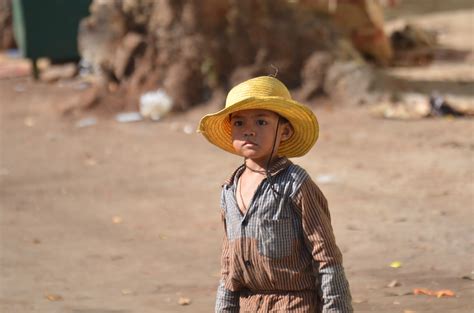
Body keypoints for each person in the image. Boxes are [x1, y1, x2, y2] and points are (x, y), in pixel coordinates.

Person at [198, 76, 353, 312]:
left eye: (261, 122)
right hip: (248, 305)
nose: (249, 131)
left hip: (295, 304)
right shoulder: (229, 190)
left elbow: (327, 258)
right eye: (239, 123)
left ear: (285, 132)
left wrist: (336, 309)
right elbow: (229, 267)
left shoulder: (296, 185)